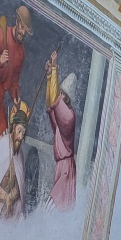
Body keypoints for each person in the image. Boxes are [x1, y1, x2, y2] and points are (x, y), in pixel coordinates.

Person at [0, 5, 31, 148]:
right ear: (17, 22)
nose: (22, 32)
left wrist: (15, 95)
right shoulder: (2, 33)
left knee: (1, 133)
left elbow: (14, 80)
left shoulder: (21, 53)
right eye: (22, 27)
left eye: (25, 31)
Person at [42, 50, 77, 212]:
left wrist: (54, 68)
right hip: (61, 166)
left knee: (51, 207)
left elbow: (54, 101)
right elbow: (50, 104)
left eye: (63, 94)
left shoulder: (69, 116)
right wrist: (50, 77)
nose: (60, 95)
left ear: (68, 98)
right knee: (55, 209)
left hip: (66, 169)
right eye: (60, 92)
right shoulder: (62, 115)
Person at [0, 110, 28, 219]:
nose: (21, 137)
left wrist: (10, 198)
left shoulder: (20, 153)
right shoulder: (1, 145)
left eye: (23, 133)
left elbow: (19, 188)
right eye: (19, 131)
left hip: (11, 203)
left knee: (20, 210)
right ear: (14, 127)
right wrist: (5, 198)